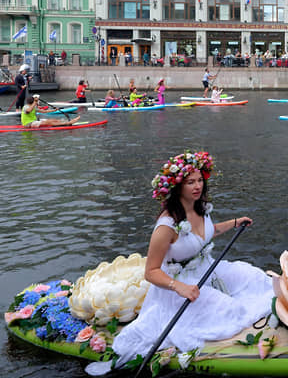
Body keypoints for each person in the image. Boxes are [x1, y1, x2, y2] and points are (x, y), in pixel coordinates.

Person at [84, 151, 277, 375]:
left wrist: (235, 223)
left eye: (199, 181)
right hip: (179, 285)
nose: (197, 186)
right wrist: (181, 288)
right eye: (189, 182)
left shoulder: (200, 207)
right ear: (177, 187)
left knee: (253, 275)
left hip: (208, 268)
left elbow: (207, 233)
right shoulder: (167, 225)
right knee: (230, 310)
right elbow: (151, 271)